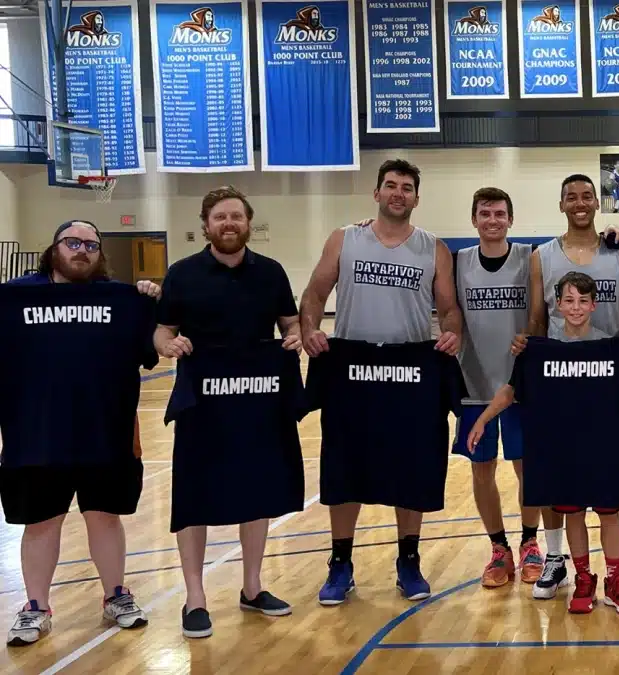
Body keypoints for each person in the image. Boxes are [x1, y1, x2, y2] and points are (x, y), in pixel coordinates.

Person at [300, 158, 461, 605]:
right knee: (344, 466)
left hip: (411, 375)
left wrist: (452, 331)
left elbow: (448, 308)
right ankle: (340, 563)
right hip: (353, 371)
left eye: (407, 187)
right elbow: (314, 293)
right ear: (376, 193)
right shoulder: (345, 239)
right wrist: (311, 327)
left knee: (411, 468)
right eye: (390, 185)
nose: (398, 193)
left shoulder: (434, 248)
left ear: (416, 198)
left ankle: (408, 560)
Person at [470, 271, 619, 615]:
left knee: (609, 516)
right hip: (564, 449)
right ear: (558, 305)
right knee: (573, 516)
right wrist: (483, 418)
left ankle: (614, 580)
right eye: (569, 300)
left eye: (583, 300)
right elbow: (511, 389)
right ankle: (583, 578)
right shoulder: (538, 350)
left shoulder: (613, 347)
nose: (575, 307)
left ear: (594, 305)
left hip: (604, 447)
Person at [154, 186, 303, 638]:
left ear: (248, 223)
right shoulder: (181, 274)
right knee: (194, 498)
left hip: (257, 401)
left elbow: (290, 324)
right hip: (203, 405)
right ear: (206, 225)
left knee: (256, 493)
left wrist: (295, 337)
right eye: (220, 217)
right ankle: (195, 598)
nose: (228, 224)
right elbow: (161, 333)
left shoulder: (272, 273)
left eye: (236, 216)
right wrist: (169, 346)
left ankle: (252, 587)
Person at [3, 220, 158, 647]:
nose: (82, 251)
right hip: (35, 434)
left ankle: (116, 595)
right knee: (40, 523)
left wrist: (147, 301)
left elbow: (151, 353)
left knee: (105, 518)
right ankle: (36, 606)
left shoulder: (122, 300)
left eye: (92, 245)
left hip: (105, 432)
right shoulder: (15, 298)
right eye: (73, 243)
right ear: (53, 249)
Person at [511, 174, 619, 600]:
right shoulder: (542, 257)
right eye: (571, 196)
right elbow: (537, 318)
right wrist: (527, 349)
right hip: (558, 382)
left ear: (596, 201)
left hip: (609, 383)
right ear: (561, 204)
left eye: (587, 196)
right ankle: (555, 558)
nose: (580, 202)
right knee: (556, 471)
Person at [451, 187, 544, 588]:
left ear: (511, 219)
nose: (492, 220)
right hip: (474, 384)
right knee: (482, 469)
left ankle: (529, 543)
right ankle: (498, 548)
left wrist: (615, 234)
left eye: (500, 213)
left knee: (528, 468)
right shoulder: (457, 262)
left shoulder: (531, 258)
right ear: (474, 219)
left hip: (522, 384)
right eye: (485, 213)